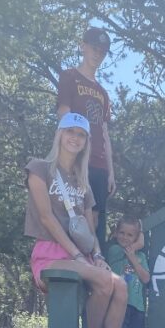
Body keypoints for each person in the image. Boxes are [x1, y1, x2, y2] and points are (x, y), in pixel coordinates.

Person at [24, 112, 127, 328]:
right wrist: (79, 257)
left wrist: (98, 256)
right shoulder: (39, 168)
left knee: (120, 285)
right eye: (70, 131)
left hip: (81, 254)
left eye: (80, 135)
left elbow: (89, 229)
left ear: (86, 142)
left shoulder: (82, 182)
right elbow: (46, 218)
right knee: (104, 282)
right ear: (59, 134)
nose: (74, 138)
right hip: (51, 252)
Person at [57, 27, 116, 254]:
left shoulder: (103, 93)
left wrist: (111, 171)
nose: (97, 55)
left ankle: (97, 268)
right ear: (83, 46)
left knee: (97, 218)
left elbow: (104, 132)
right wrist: (66, 158)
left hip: (100, 165)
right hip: (76, 159)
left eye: (103, 51)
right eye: (94, 48)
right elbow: (63, 114)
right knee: (73, 212)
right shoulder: (69, 77)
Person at [106, 216, 150, 328]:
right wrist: (132, 249)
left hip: (136, 306)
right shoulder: (115, 251)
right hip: (120, 304)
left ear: (136, 237)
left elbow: (146, 278)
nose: (125, 237)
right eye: (122, 233)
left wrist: (133, 258)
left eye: (130, 235)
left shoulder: (140, 256)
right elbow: (135, 244)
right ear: (116, 233)